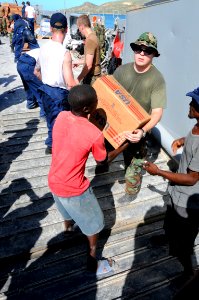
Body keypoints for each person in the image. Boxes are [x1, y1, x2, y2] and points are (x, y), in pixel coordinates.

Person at [48, 84, 128, 275]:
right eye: (95, 103)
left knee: (66, 209)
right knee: (95, 223)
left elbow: (75, 133)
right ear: (87, 109)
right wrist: (123, 145)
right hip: (74, 188)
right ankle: (93, 261)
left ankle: (68, 230)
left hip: (53, 180)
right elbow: (102, 161)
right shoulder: (94, 134)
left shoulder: (61, 116)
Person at [143, 88, 199, 277]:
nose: (190, 106)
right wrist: (184, 140)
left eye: (194, 104)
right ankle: (168, 237)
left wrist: (158, 171)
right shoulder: (197, 126)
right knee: (170, 220)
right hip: (177, 191)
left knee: (184, 244)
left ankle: (188, 273)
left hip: (189, 201)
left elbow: (192, 179)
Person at [113, 32, 167, 197]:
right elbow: (110, 94)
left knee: (135, 163)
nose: (142, 53)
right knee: (109, 149)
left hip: (139, 128)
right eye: (138, 49)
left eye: (147, 51)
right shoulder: (122, 71)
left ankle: (132, 191)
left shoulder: (157, 79)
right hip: (118, 122)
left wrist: (143, 131)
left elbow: (157, 112)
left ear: (154, 55)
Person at [35, 12, 78, 154]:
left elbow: (36, 72)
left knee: (50, 119)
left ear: (51, 28)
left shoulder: (43, 48)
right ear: (66, 29)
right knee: (61, 125)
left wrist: (47, 82)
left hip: (45, 90)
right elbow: (70, 84)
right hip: (59, 94)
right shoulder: (64, 53)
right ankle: (56, 148)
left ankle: (50, 143)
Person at [73, 14, 101, 85]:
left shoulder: (90, 40)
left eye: (78, 28)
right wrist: (78, 62)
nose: (79, 31)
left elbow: (88, 65)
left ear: (82, 27)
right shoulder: (94, 36)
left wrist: (78, 79)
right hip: (95, 76)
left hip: (91, 78)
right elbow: (93, 60)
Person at [17, 48, 45, 116]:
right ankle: (45, 113)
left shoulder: (44, 49)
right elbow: (38, 71)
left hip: (20, 63)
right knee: (40, 89)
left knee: (29, 85)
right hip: (29, 65)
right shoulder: (52, 54)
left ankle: (31, 103)